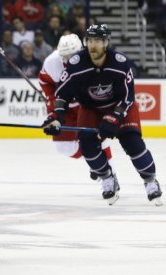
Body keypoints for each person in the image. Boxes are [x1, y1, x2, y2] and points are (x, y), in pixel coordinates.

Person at [42, 24, 162, 206]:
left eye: (98, 40)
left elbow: (128, 97)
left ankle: (150, 180)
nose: (93, 45)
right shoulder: (76, 63)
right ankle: (107, 177)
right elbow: (62, 94)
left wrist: (114, 117)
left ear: (106, 43)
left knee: (133, 144)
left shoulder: (120, 63)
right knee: (87, 145)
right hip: (90, 109)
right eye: (90, 40)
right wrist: (56, 116)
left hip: (119, 107)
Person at [38, 33, 114, 182]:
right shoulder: (51, 62)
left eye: (71, 55)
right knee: (63, 148)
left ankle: (109, 174)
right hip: (64, 107)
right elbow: (45, 82)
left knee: (94, 137)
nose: (67, 60)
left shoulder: (94, 60)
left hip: (85, 105)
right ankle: (93, 157)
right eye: (64, 56)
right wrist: (53, 103)